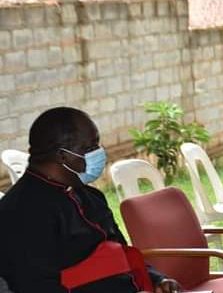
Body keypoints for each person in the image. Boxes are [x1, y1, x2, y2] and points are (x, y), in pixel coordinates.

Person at [0, 107, 180, 293]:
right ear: (63, 155)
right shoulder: (20, 213)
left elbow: (121, 252)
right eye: (91, 147)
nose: (100, 153)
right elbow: (36, 287)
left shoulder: (89, 196)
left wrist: (158, 279)